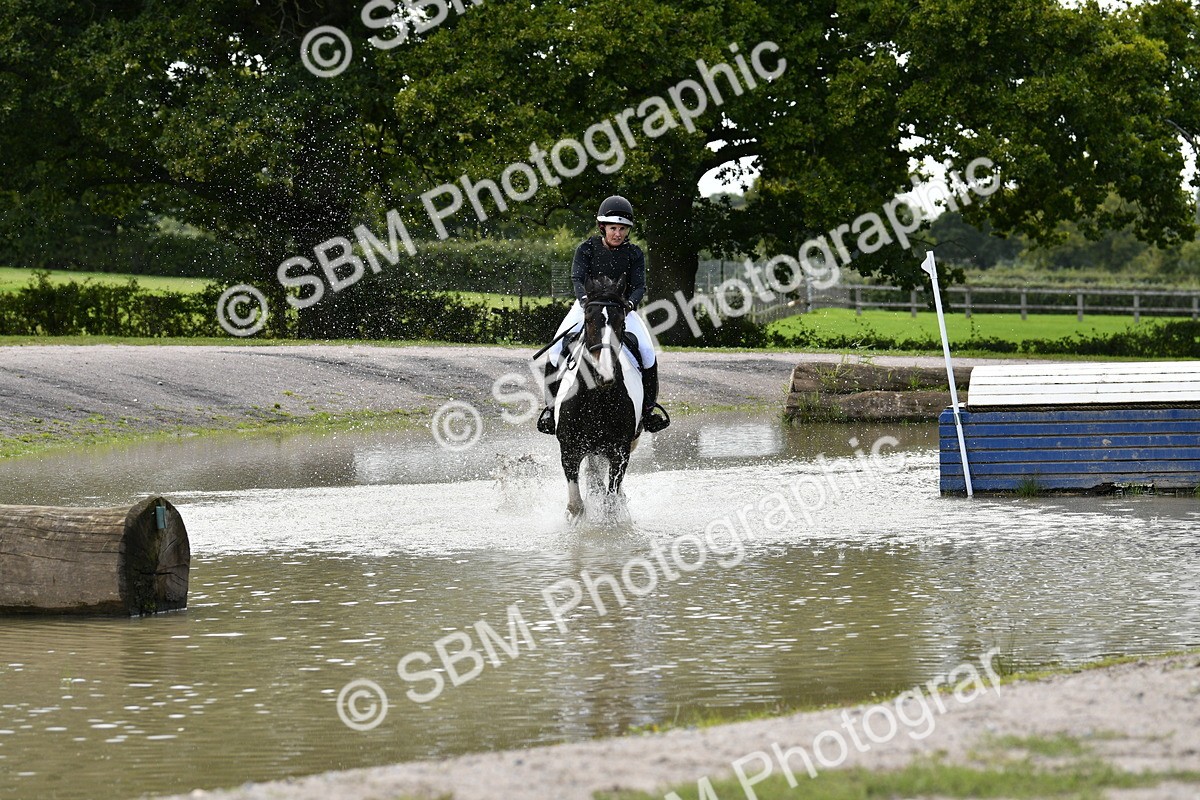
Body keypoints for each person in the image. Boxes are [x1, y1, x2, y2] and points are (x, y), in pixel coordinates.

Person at [537, 195, 669, 435]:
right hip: (587, 307)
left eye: (622, 229)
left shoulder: (634, 254)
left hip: (622, 310)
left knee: (648, 353)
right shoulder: (586, 249)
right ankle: (550, 408)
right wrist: (584, 301)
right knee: (555, 351)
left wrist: (629, 304)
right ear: (603, 228)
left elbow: (640, 286)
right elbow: (577, 278)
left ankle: (649, 410)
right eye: (613, 228)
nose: (617, 233)